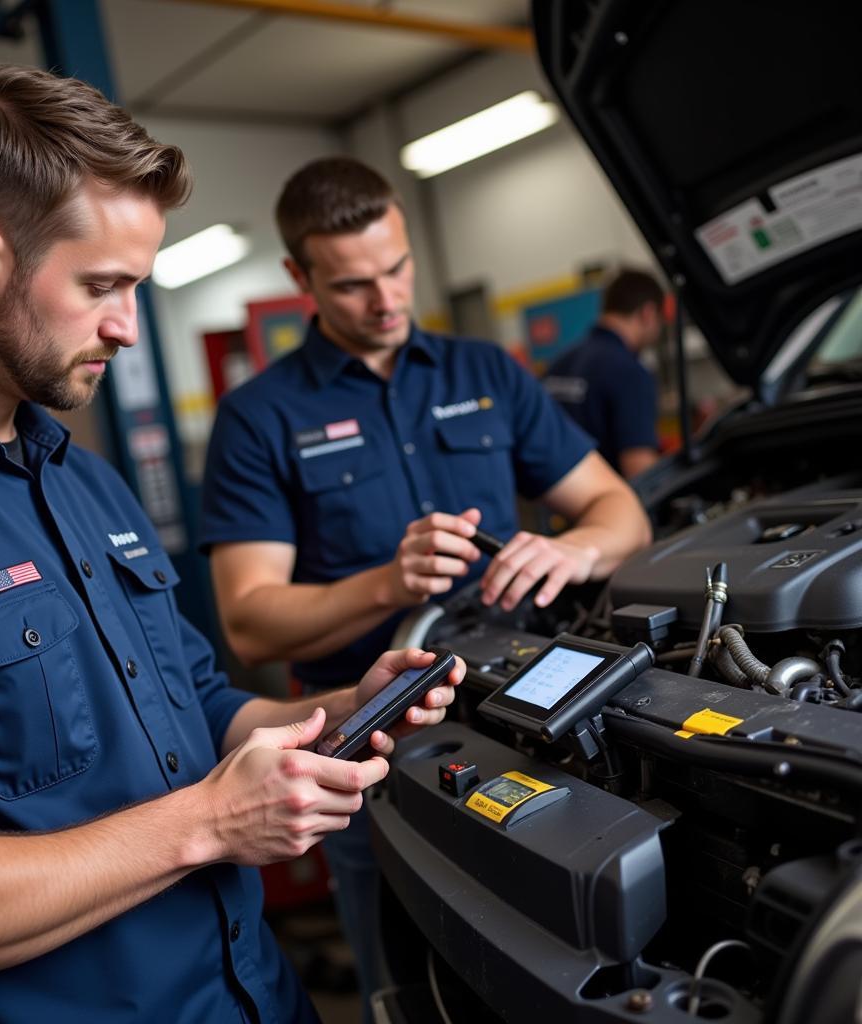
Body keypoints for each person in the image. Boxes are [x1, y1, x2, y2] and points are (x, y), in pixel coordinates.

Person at [0, 67, 464, 1024]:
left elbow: (195, 705)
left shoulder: (79, 476)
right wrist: (211, 823)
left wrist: (341, 708)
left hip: (255, 994)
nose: (129, 327)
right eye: (102, 286)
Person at [199, 156, 653, 1017]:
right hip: (370, 762)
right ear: (301, 279)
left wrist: (576, 551)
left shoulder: (485, 375)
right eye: (354, 284)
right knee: (406, 984)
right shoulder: (261, 418)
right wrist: (384, 583)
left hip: (532, 722)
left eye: (399, 268)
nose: (387, 299)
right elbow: (250, 623)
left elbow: (620, 509)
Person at [542, 267, 666, 479]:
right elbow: (640, 469)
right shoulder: (630, 372)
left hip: (557, 505)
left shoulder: (558, 365)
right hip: (610, 505)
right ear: (648, 313)